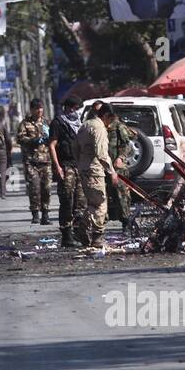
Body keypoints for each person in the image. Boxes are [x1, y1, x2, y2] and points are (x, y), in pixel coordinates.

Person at [75, 102, 116, 254]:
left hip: (84, 168)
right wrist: (112, 172)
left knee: (92, 203)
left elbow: (76, 147)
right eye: (110, 120)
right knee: (100, 205)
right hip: (94, 170)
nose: (110, 124)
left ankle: (83, 230)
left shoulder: (85, 125)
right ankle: (95, 236)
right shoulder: (99, 128)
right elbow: (102, 154)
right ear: (105, 116)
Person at [48, 97, 85, 248]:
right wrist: (57, 166)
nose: (73, 111)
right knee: (67, 201)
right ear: (65, 108)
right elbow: (52, 145)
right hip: (66, 166)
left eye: (75, 108)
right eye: (70, 108)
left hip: (79, 166)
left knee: (80, 202)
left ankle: (78, 233)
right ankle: (66, 236)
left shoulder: (79, 124)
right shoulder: (58, 123)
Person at [16, 98, 52, 224]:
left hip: (46, 161)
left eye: (41, 108)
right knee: (34, 188)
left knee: (46, 189)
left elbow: (53, 139)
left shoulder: (47, 122)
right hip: (31, 162)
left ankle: (46, 214)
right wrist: (33, 141)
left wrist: (49, 138)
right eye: (37, 108)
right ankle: (35, 213)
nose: (39, 110)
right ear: (32, 110)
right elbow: (20, 139)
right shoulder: (25, 124)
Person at [104, 111, 138, 234]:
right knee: (102, 196)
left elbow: (127, 144)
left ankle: (126, 223)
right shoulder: (98, 126)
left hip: (118, 167)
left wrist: (121, 158)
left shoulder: (119, 127)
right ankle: (100, 226)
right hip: (103, 166)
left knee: (122, 195)